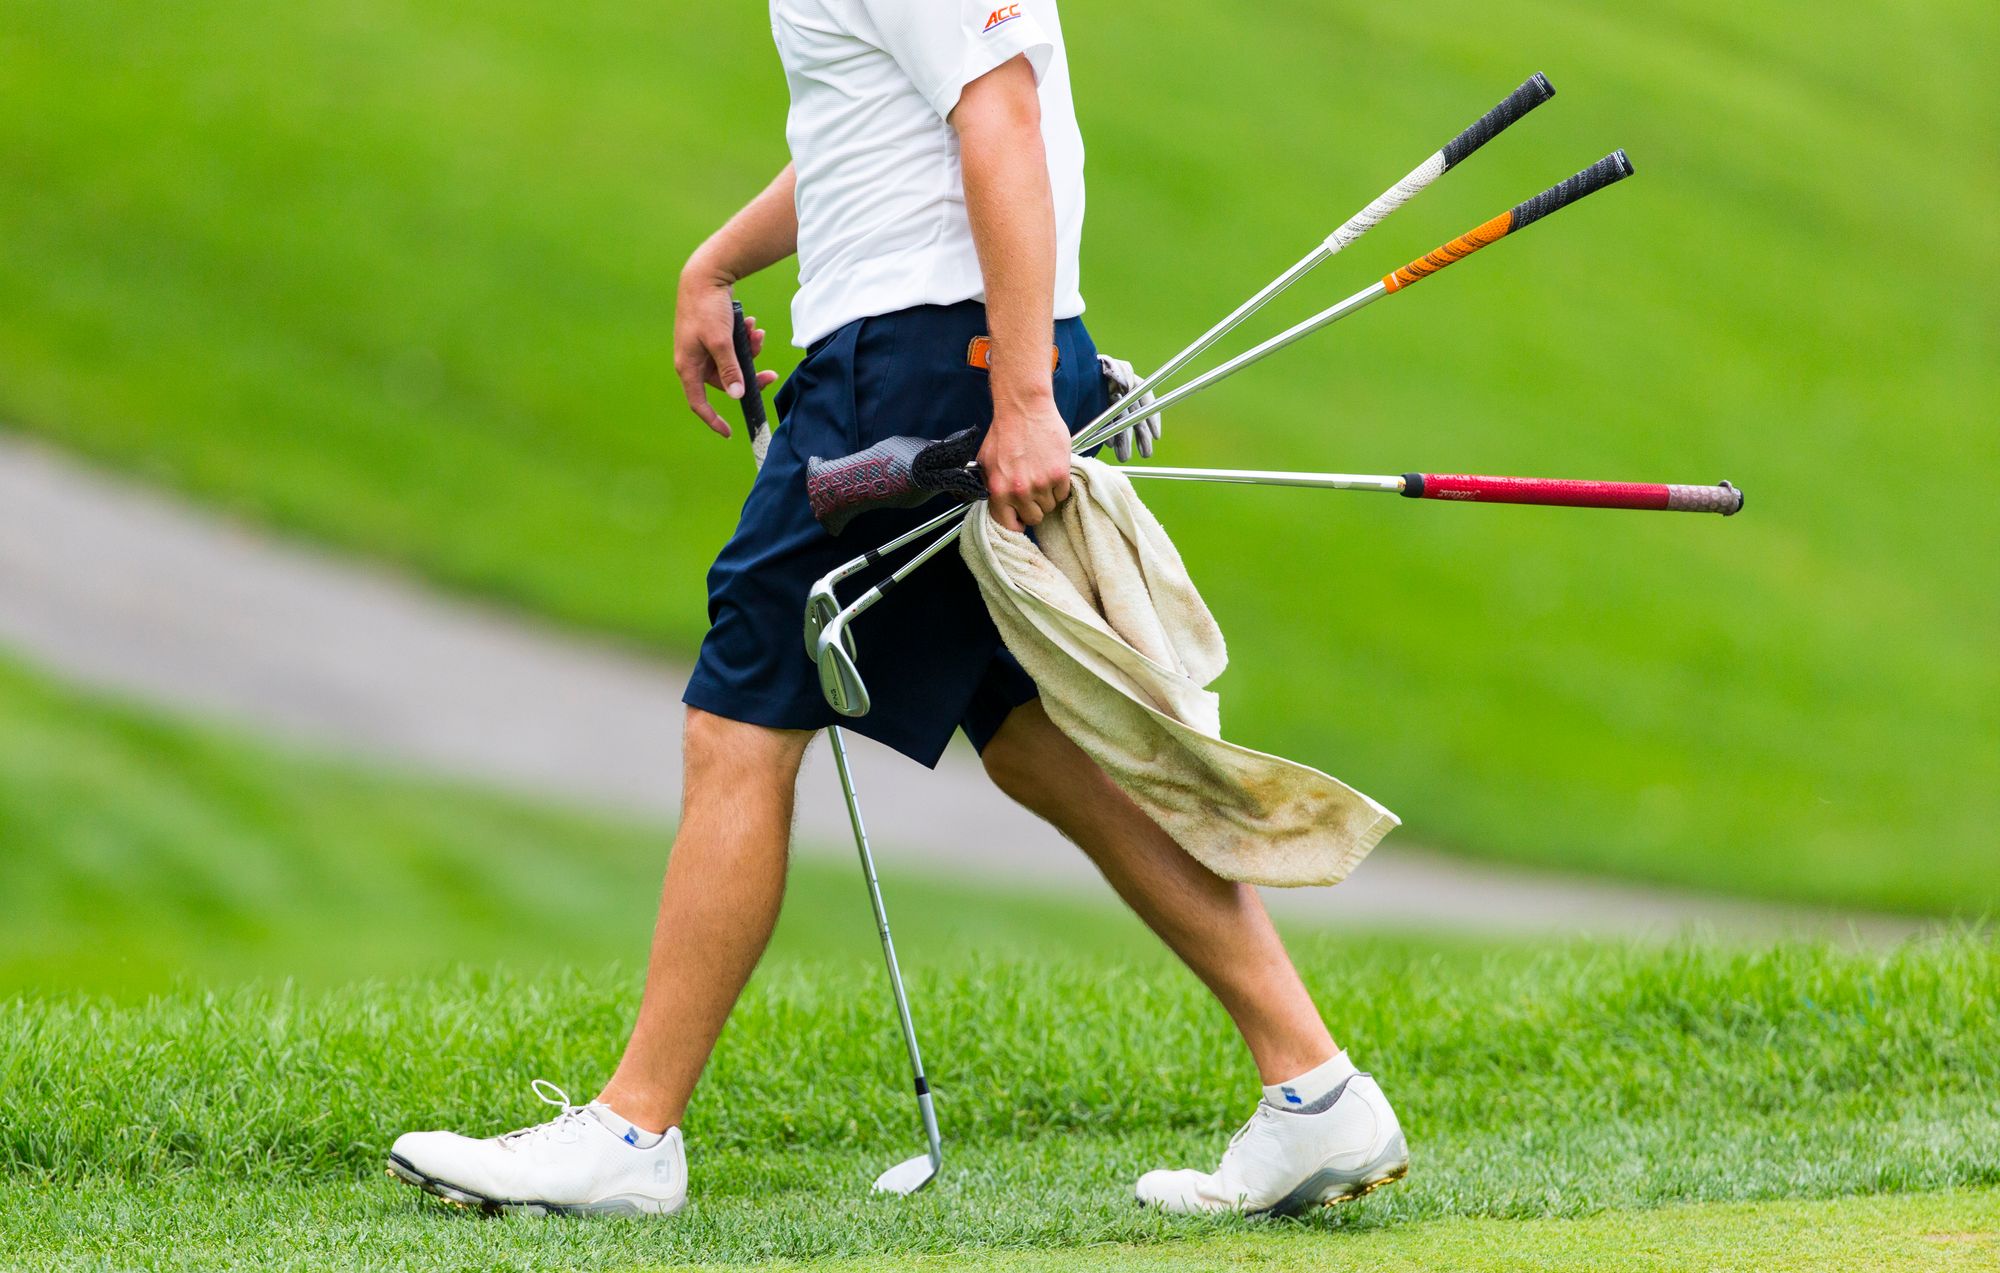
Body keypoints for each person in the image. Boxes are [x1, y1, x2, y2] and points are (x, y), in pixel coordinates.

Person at [387, 0, 1405, 1218]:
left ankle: (632, 1130)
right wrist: (716, 262)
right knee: (1028, 735)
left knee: (739, 719)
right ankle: (1311, 1086)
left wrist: (1021, 399)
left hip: (918, 373)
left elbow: (1001, 120)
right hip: (954, 353)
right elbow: (877, 127)